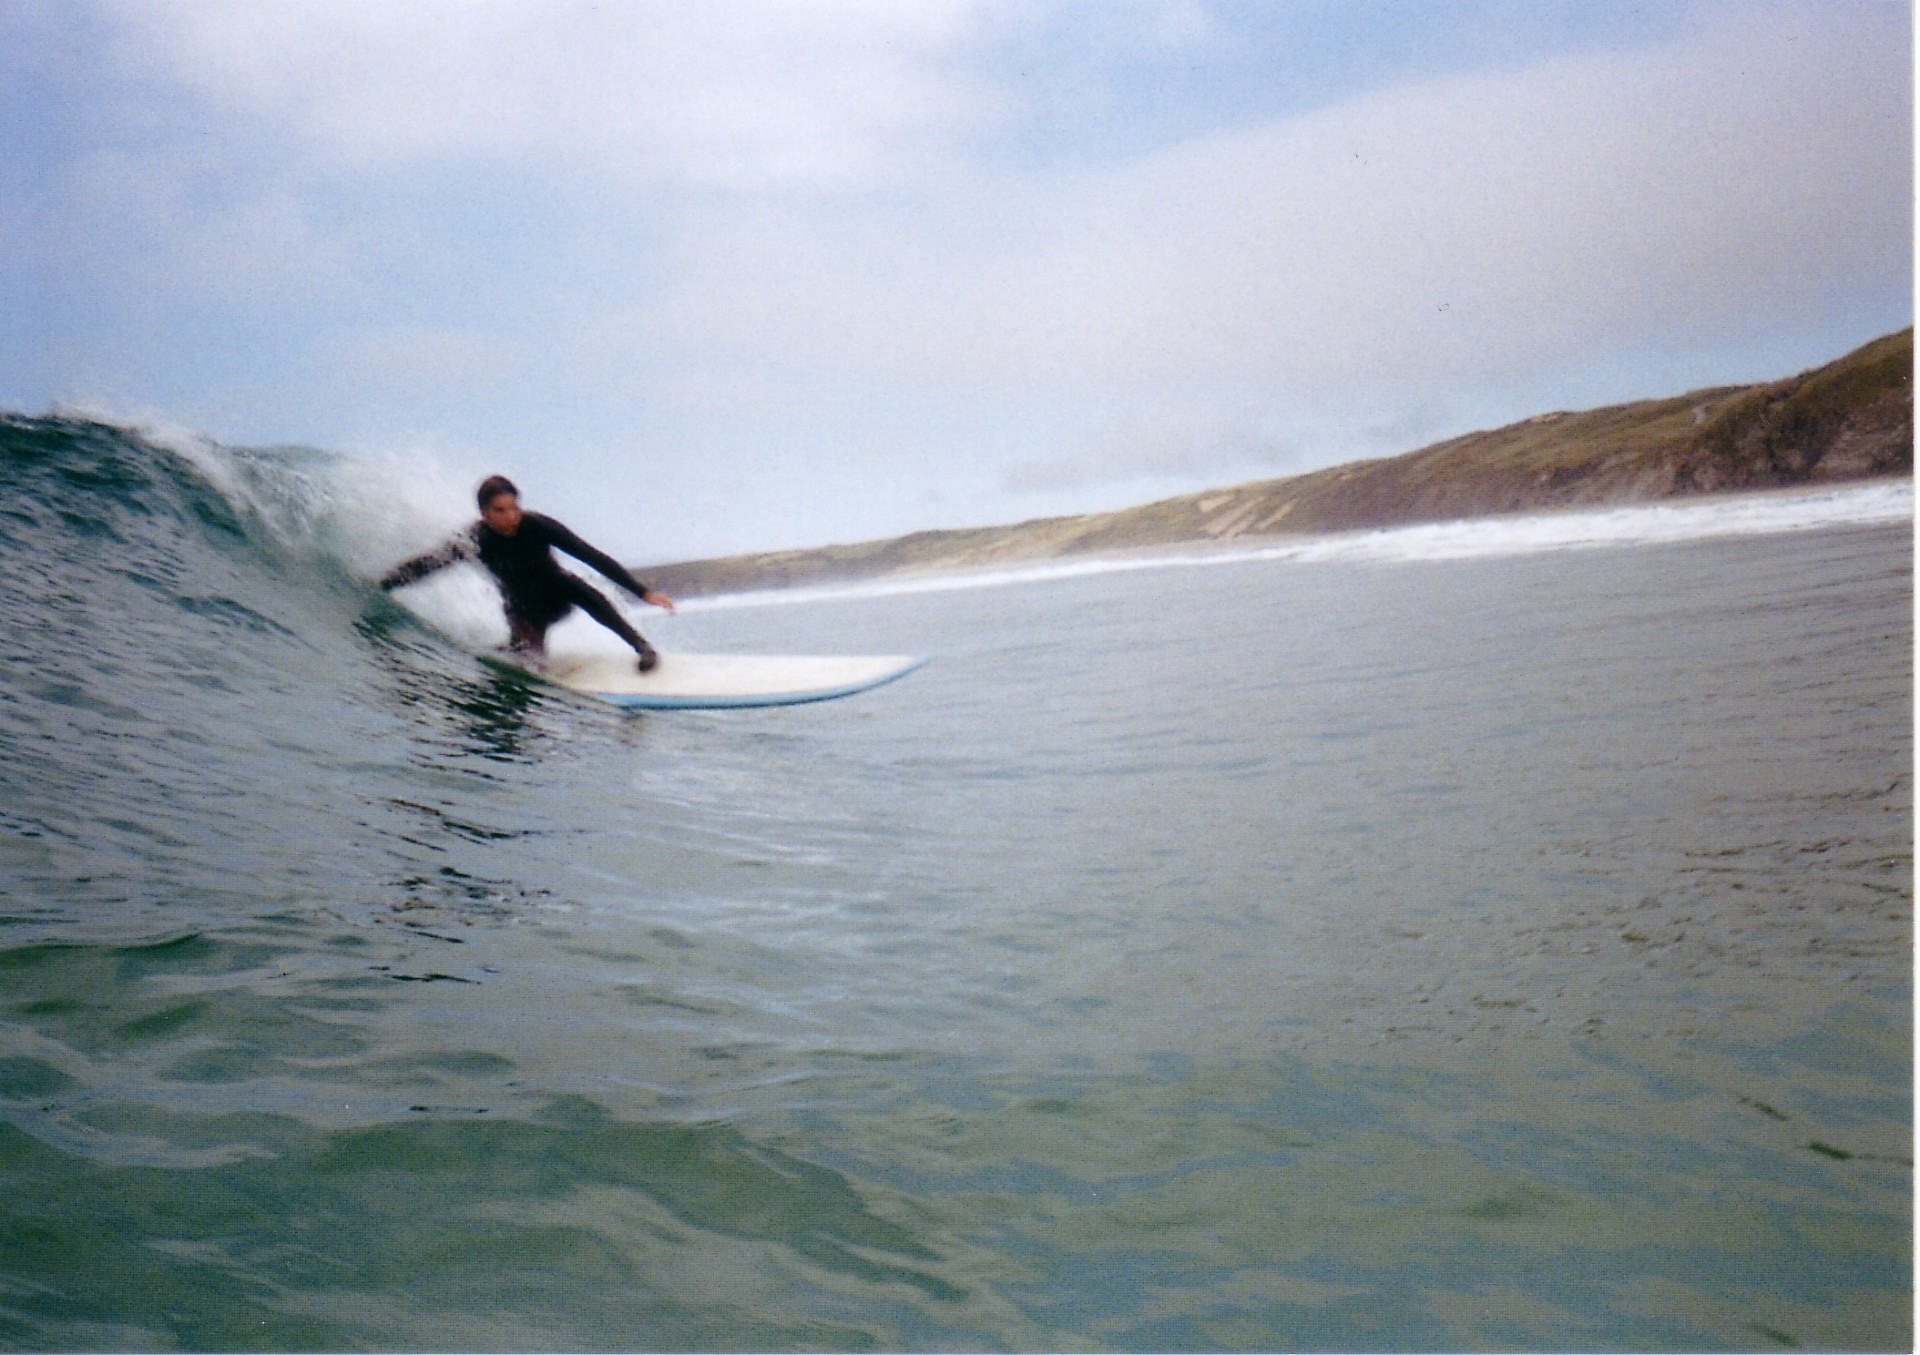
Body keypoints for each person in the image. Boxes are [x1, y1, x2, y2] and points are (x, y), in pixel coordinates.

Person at [380, 475, 675, 671]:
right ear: (484, 513)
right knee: (529, 659)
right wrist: (384, 585)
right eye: (500, 510)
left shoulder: (538, 525)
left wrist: (643, 591)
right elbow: (428, 564)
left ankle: (643, 648)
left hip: (557, 599)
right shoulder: (474, 539)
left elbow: (592, 556)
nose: (511, 517)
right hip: (523, 611)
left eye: (514, 508)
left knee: (576, 585)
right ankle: (513, 648)